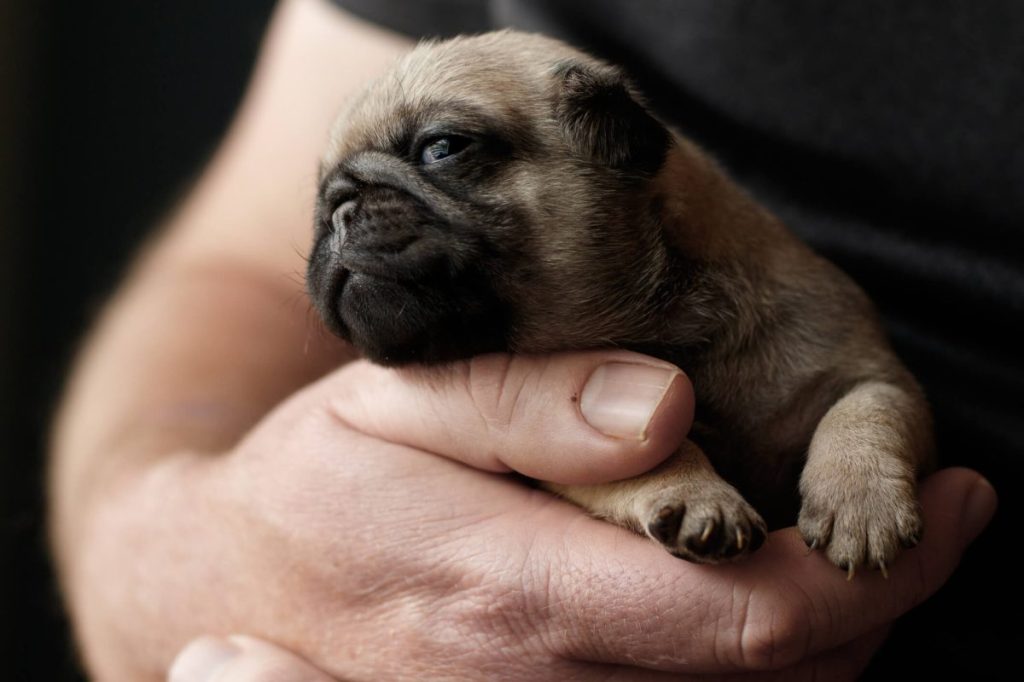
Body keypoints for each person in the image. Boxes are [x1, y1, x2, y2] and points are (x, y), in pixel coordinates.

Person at [50, 0, 1015, 680]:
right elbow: (242, 271)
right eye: (332, 198)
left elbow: (866, 390)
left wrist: (862, 459)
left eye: (444, 151)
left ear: (618, 147)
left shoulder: (799, 309)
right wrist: (168, 558)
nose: (347, 222)